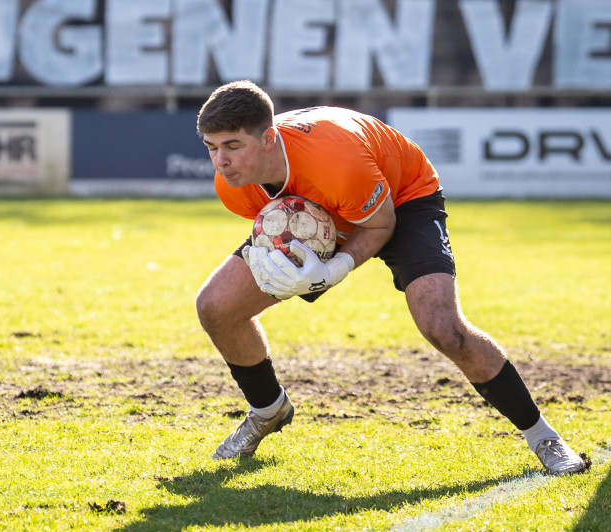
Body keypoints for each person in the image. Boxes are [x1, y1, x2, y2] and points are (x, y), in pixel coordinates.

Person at [194, 80, 590, 475]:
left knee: (444, 327)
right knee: (215, 306)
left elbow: (381, 224)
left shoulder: (335, 160)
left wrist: (332, 270)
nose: (221, 161)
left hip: (402, 197)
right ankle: (267, 410)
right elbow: (300, 216)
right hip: (323, 204)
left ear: (267, 139)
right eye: (212, 147)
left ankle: (543, 436)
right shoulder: (233, 186)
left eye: (232, 146)